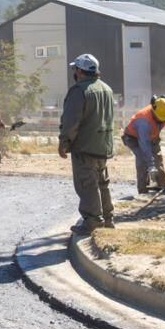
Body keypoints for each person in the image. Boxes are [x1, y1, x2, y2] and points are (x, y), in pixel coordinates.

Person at [59, 54, 116, 234]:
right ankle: (108, 219)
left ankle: (92, 221)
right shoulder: (106, 89)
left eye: (74, 69)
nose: (73, 72)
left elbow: (71, 122)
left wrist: (64, 142)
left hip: (85, 147)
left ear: (80, 71)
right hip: (103, 146)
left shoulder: (79, 91)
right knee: (102, 184)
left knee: (87, 184)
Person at [123, 96, 165, 194]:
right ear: (154, 112)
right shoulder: (143, 122)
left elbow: (156, 129)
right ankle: (143, 190)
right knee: (142, 161)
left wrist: (155, 164)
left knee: (158, 161)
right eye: (160, 119)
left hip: (151, 136)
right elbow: (144, 145)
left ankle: (164, 187)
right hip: (133, 138)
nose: (162, 121)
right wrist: (151, 165)